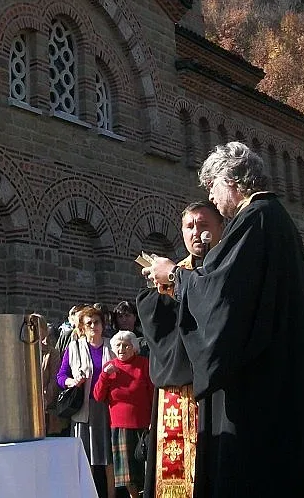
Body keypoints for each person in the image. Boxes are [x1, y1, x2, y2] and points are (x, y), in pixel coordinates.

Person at [143, 142, 304, 497]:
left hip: (264, 388)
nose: (210, 196)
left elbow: (223, 297)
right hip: (282, 375)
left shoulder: (255, 220)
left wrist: (174, 277)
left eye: (212, 185)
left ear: (231, 180)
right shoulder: (273, 218)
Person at [136, 199, 223, 498]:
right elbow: (160, 333)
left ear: (220, 227)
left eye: (204, 225)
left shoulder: (227, 268)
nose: (197, 233)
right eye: (189, 226)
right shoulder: (170, 275)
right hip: (179, 393)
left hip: (222, 390)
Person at [57, 306, 115, 498]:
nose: (93, 326)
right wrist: (72, 381)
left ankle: (111, 494)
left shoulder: (113, 345)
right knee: (86, 456)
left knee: (109, 455)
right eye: (88, 323)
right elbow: (61, 375)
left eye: (96, 322)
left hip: (109, 407)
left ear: (102, 324)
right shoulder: (73, 347)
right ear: (81, 327)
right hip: (84, 408)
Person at [93, 331, 154, 498]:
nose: (122, 349)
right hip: (120, 427)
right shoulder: (110, 366)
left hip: (143, 426)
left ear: (134, 348)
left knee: (145, 470)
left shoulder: (144, 364)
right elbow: (98, 396)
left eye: (126, 345)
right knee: (128, 477)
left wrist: (153, 422)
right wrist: (105, 375)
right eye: (118, 346)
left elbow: (152, 394)